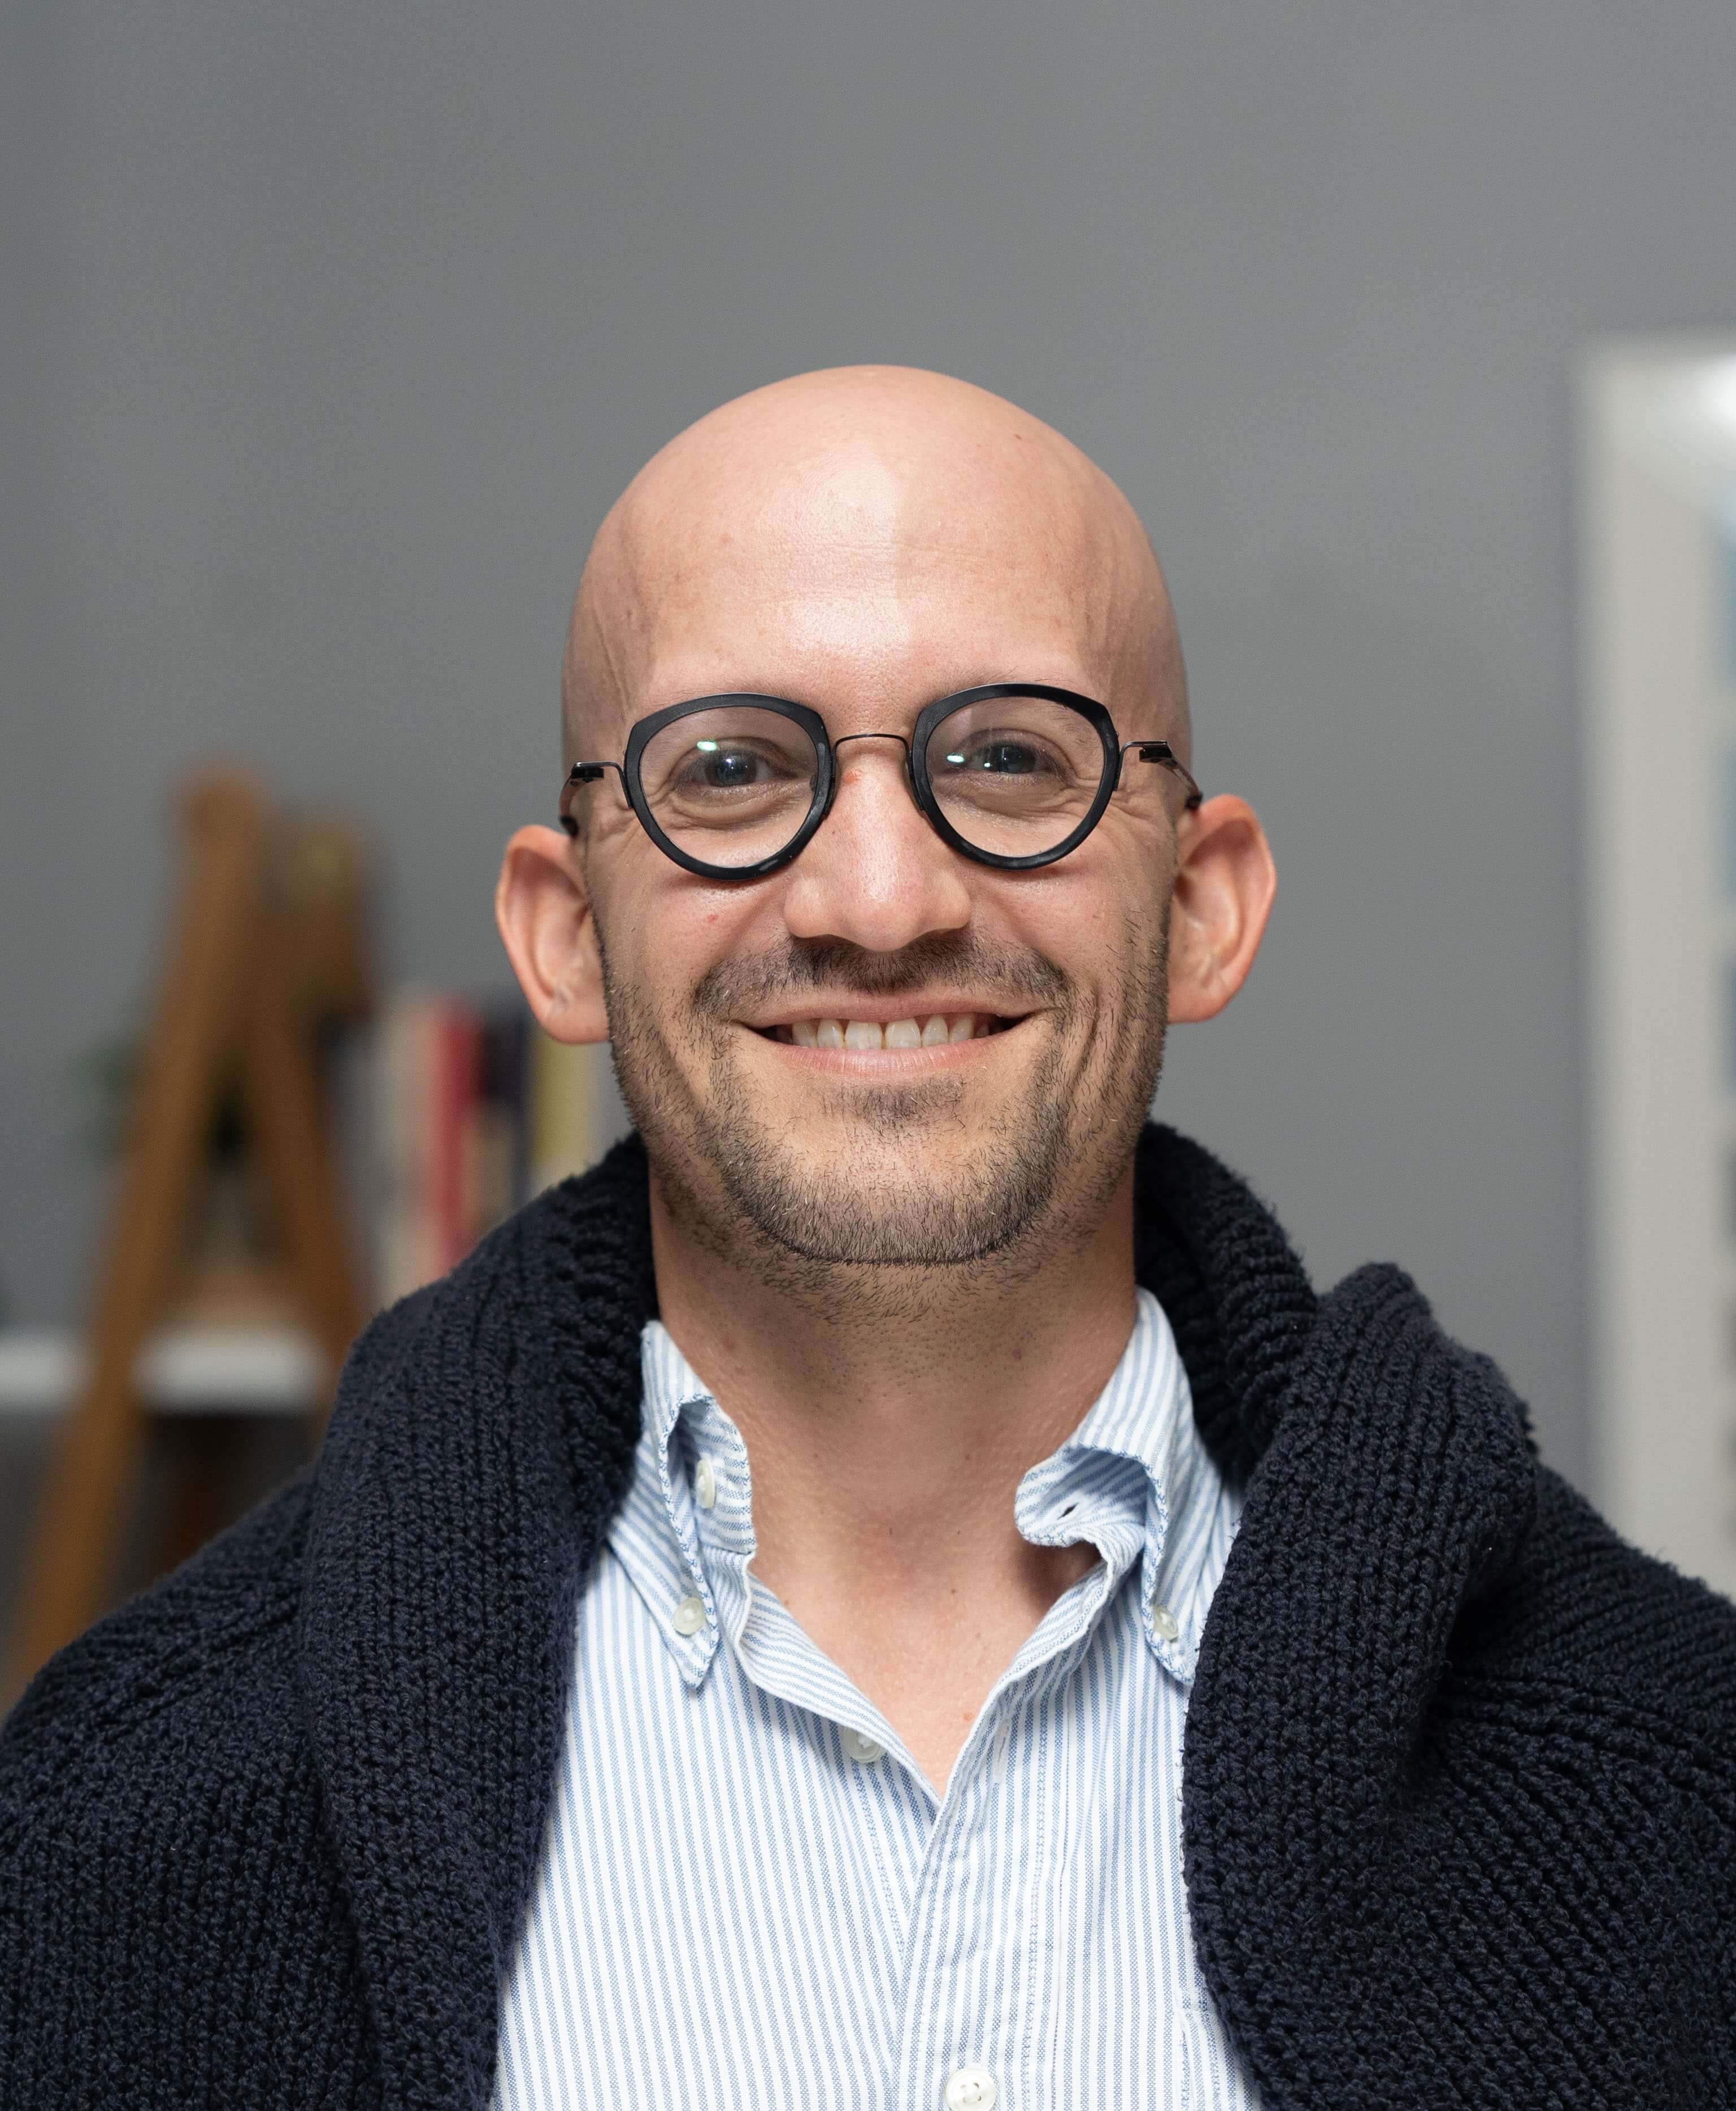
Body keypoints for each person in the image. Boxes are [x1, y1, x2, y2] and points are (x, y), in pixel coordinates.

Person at [2, 368, 1733, 2111]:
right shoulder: (116, 1836)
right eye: (733, 771)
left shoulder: (1676, 1794)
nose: (882, 903)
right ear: (566, 934)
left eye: (1011, 759)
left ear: (1202, 904)